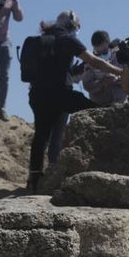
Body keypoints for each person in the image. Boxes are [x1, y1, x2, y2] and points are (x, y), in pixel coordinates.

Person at [26, 11, 122, 192]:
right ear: (72, 26)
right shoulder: (68, 40)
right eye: (78, 26)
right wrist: (120, 72)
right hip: (60, 93)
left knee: (41, 135)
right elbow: (94, 61)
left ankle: (34, 177)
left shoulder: (40, 40)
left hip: (37, 94)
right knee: (96, 112)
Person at [81, 30, 127, 107]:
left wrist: (117, 79)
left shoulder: (120, 58)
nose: (102, 55)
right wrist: (102, 82)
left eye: (104, 51)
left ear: (109, 44)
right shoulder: (90, 63)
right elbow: (87, 86)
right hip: (100, 106)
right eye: (98, 52)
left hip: (122, 104)